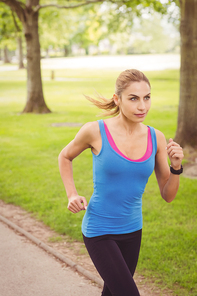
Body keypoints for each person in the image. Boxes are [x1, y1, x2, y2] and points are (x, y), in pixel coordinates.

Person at [58, 69, 184, 296]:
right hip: (99, 230)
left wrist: (176, 167)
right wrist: (72, 194)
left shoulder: (156, 137)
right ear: (117, 99)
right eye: (133, 98)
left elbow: (168, 195)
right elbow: (65, 156)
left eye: (147, 97)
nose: (142, 106)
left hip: (133, 231)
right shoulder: (95, 131)